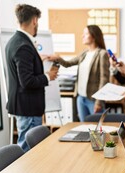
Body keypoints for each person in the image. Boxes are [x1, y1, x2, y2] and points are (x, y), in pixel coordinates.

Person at [6, 4, 58, 152]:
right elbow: (27, 81)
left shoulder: (14, 41)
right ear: (34, 20)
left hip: (23, 105)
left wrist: (36, 61)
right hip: (28, 107)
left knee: (29, 147)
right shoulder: (23, 45)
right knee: (28, 149)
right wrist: (48, 76)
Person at [48, 25, 109, 122]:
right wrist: (57, 58)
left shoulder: (102, 54)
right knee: (84, 127)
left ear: (93, 36)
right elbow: (68, 63)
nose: (82, 36)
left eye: (85, 34)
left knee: (97, 129)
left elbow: (104, 79)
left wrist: (99, 101)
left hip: (93, 100)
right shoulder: (85, 53)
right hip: (81, 98)